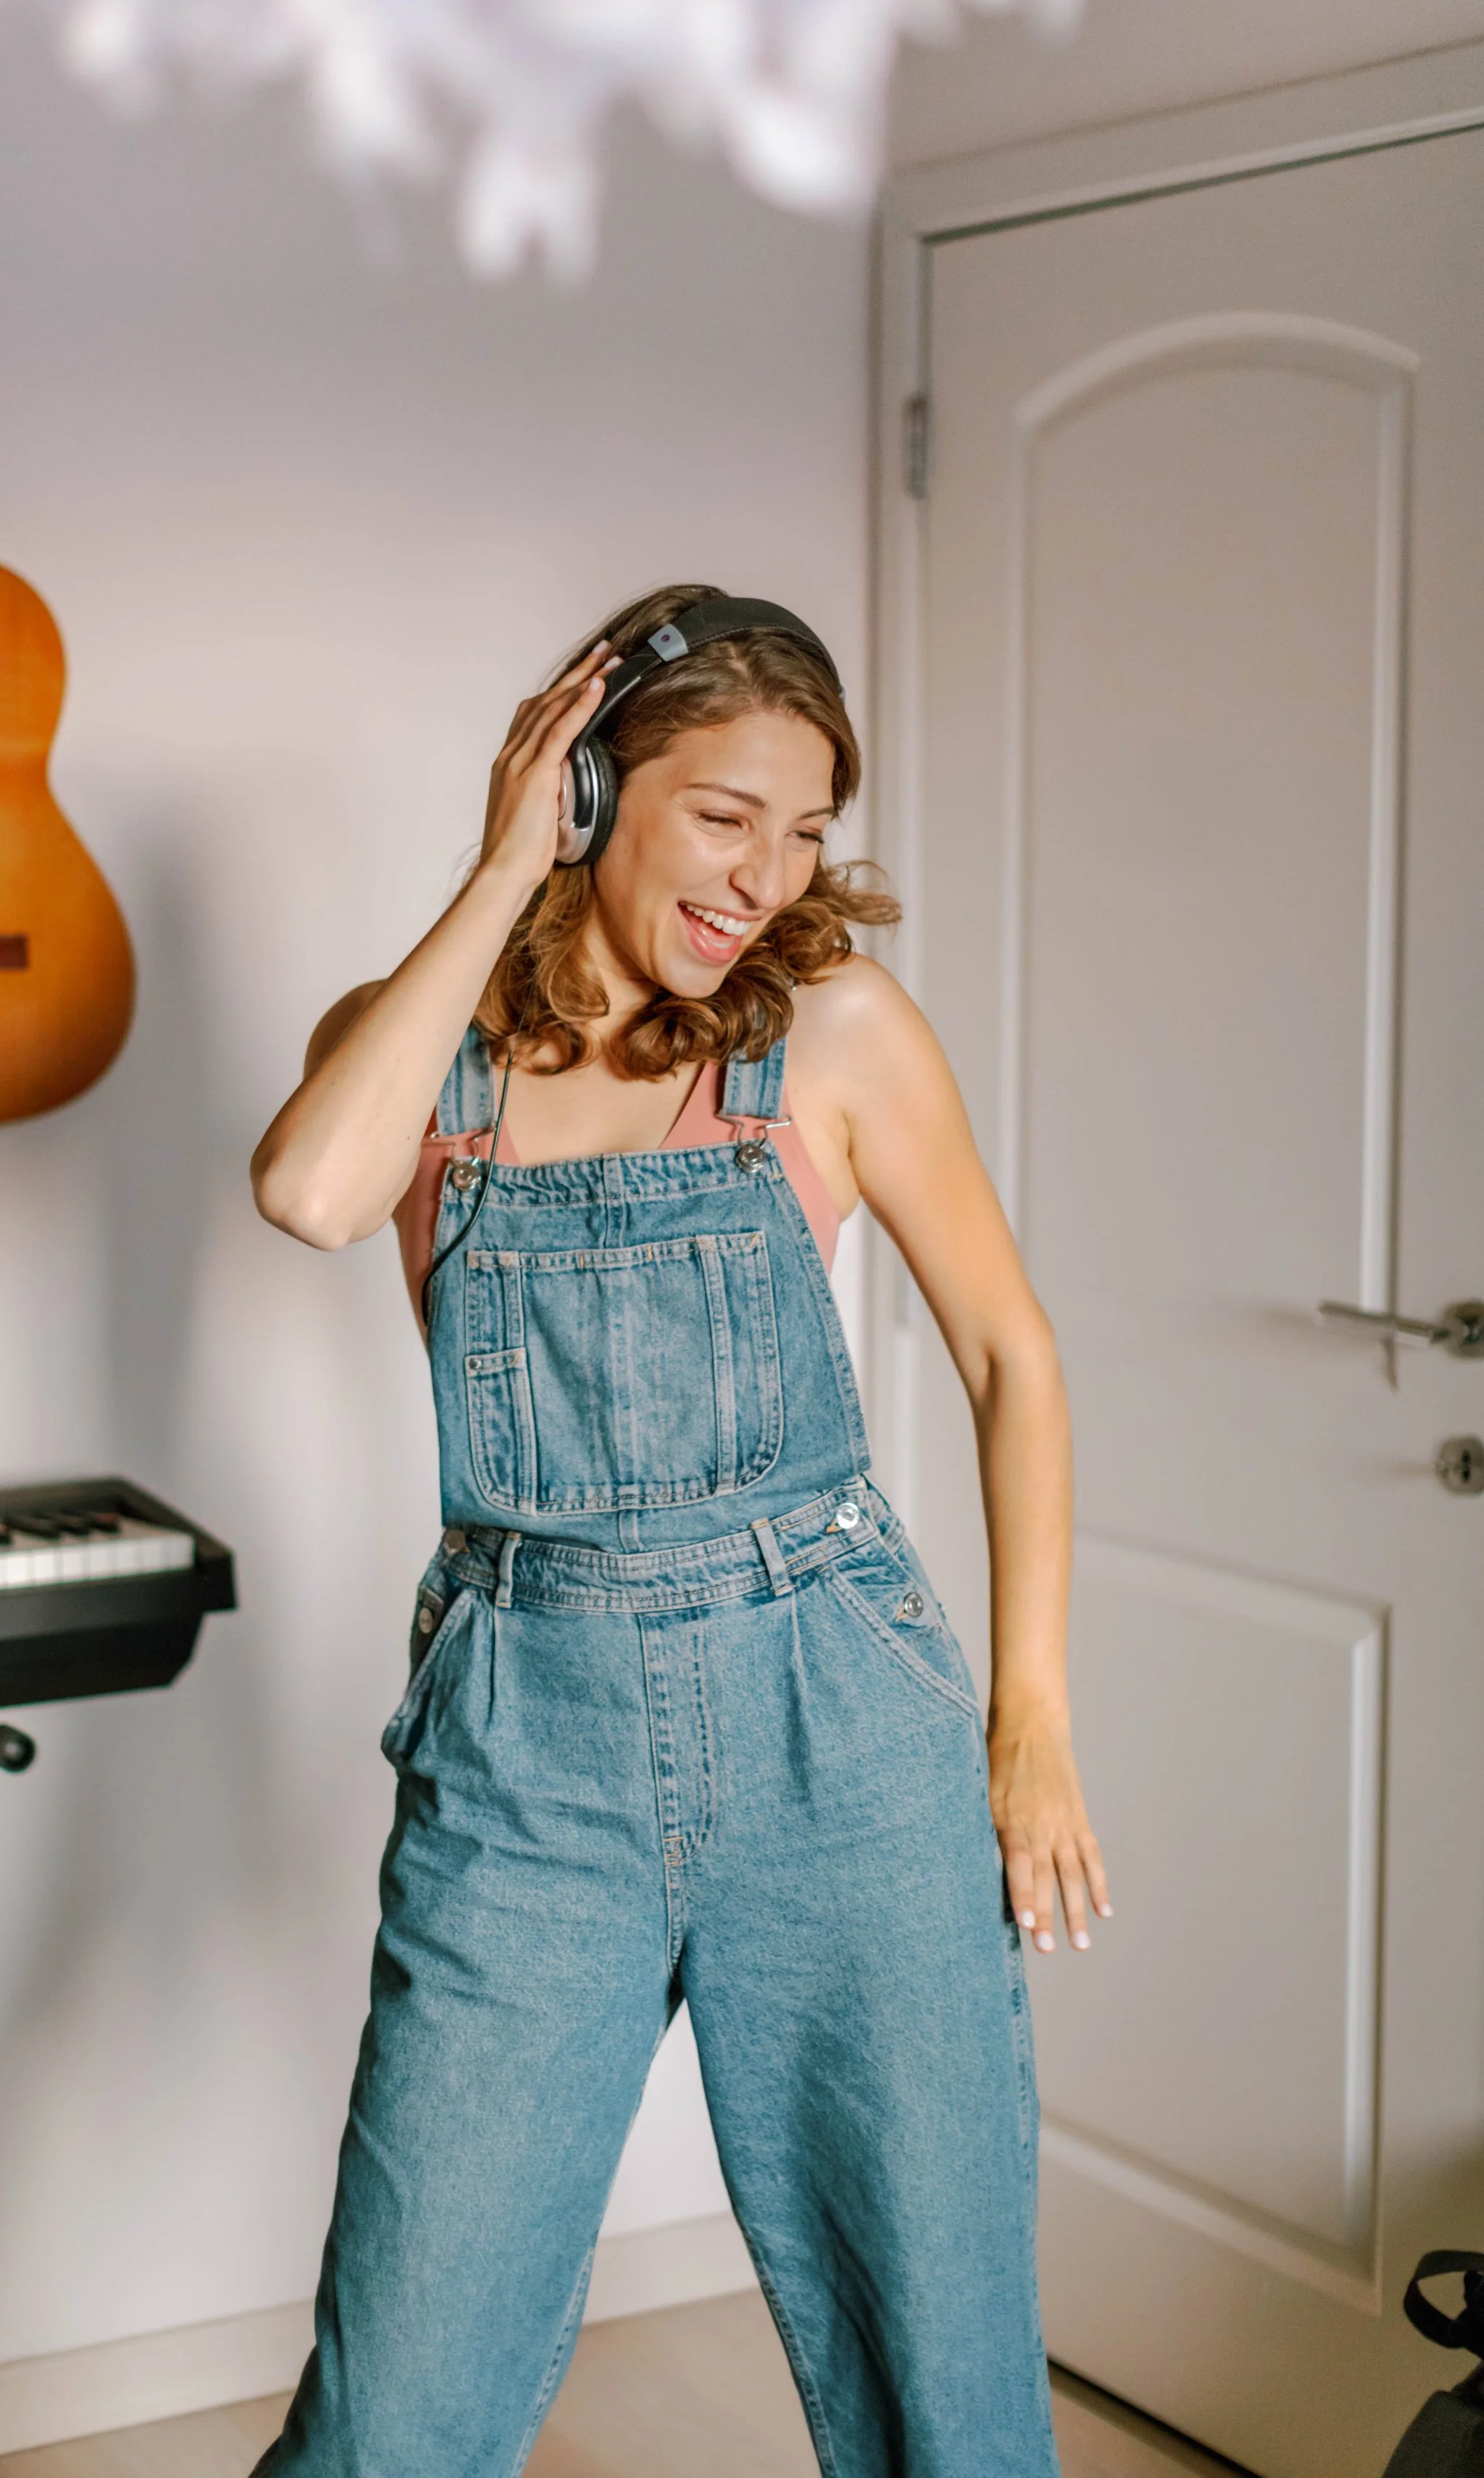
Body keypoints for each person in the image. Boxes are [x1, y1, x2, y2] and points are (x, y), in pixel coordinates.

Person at [248, 582, 1108, 2478]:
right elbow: (311, 1191)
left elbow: (1010, 1354)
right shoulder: (422, 1054)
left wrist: (1027, 1710)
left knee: (939, 2379)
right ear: (586, 788)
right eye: (724, 811)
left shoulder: (836, 1033)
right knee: (398, 2400)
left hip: (840, 1726)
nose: (766, 871)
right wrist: (498, 870)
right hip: (520, 1749)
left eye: (803, 826)